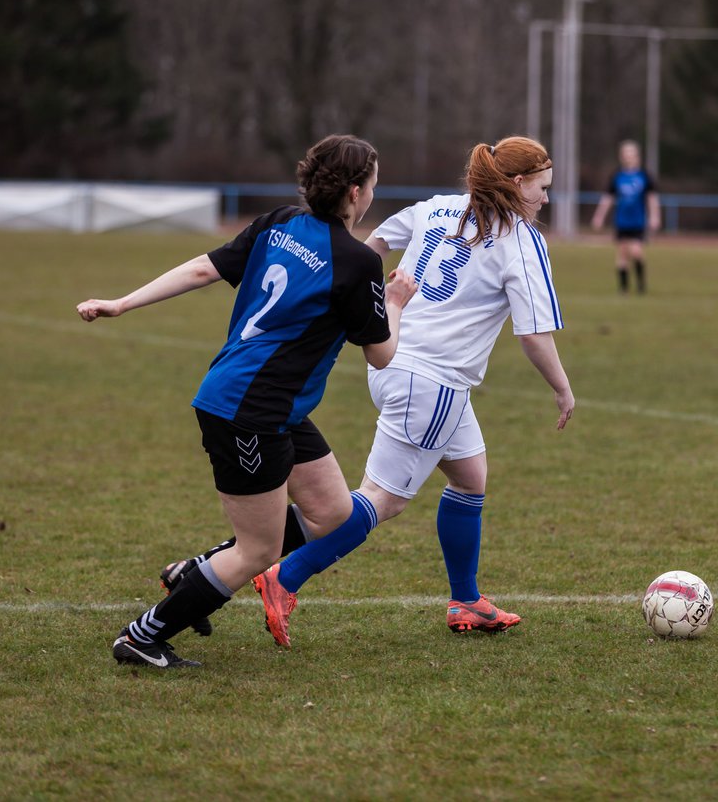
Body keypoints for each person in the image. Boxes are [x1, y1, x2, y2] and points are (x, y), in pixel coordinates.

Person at [164, 136, 575, 646]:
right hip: (434, 380)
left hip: (392, 361)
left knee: (470, 477)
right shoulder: (522, 240)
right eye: (542, 188)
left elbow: (373, 243)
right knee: (381, 499)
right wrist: (562, 388)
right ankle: (280, 578)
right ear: (517, 184)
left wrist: (374, 299)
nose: (546, 200)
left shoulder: (439, 208)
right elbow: (533, 335)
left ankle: (466, 600)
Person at [75, 134, 418, 668]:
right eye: (373, 183)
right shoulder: (354, 262)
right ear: (355, 192)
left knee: (332, 512)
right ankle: (143, 636)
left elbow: (201, 270)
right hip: (249, 412)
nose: (374, 192)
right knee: (256, 551)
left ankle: (194, 572)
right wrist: (395, 301)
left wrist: (124, 302)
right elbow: (381, 355)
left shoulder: (279, 222)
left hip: (270, 406)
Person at [590, 139, 660, 294]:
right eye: (625, 154)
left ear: (637, 156)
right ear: (621, 156)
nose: (628, 157)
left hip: (638, 221)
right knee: (622, 254)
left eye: (631, 154)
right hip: (622, 221)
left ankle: (641, 285)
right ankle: (624, 289)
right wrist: (599, 217)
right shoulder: (617, 176)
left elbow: (652, 198)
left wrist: (655, 216)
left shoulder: (644, 176)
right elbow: (607, 199)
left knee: (636, 252)